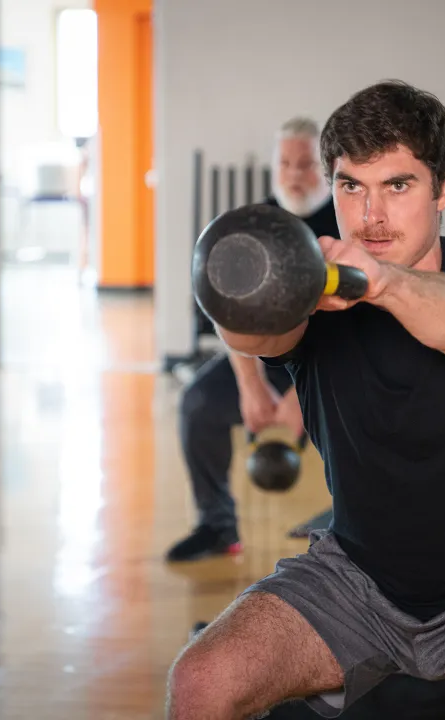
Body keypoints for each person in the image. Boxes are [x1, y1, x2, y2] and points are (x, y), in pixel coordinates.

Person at [167, 80, 445, 720]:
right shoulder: (317, 297)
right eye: (351, 186)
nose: (370, 215)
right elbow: (254, 334)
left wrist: (378, 283)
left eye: (397, 186)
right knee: (200, 681)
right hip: (353, 579)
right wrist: (242, 289)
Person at [166, 117, 338, 563]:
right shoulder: (253, 224)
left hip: (335, 363)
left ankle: (355, 525)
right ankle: (217, 526)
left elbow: (358, 321)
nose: (294, 175)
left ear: (326, 168)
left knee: (379, 407)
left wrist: (305, 395)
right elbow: (227, 306)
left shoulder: (347, 223)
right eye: (285, 164)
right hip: (266, 357)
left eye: (305, 164)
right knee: (198, 404)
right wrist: (250, 384)